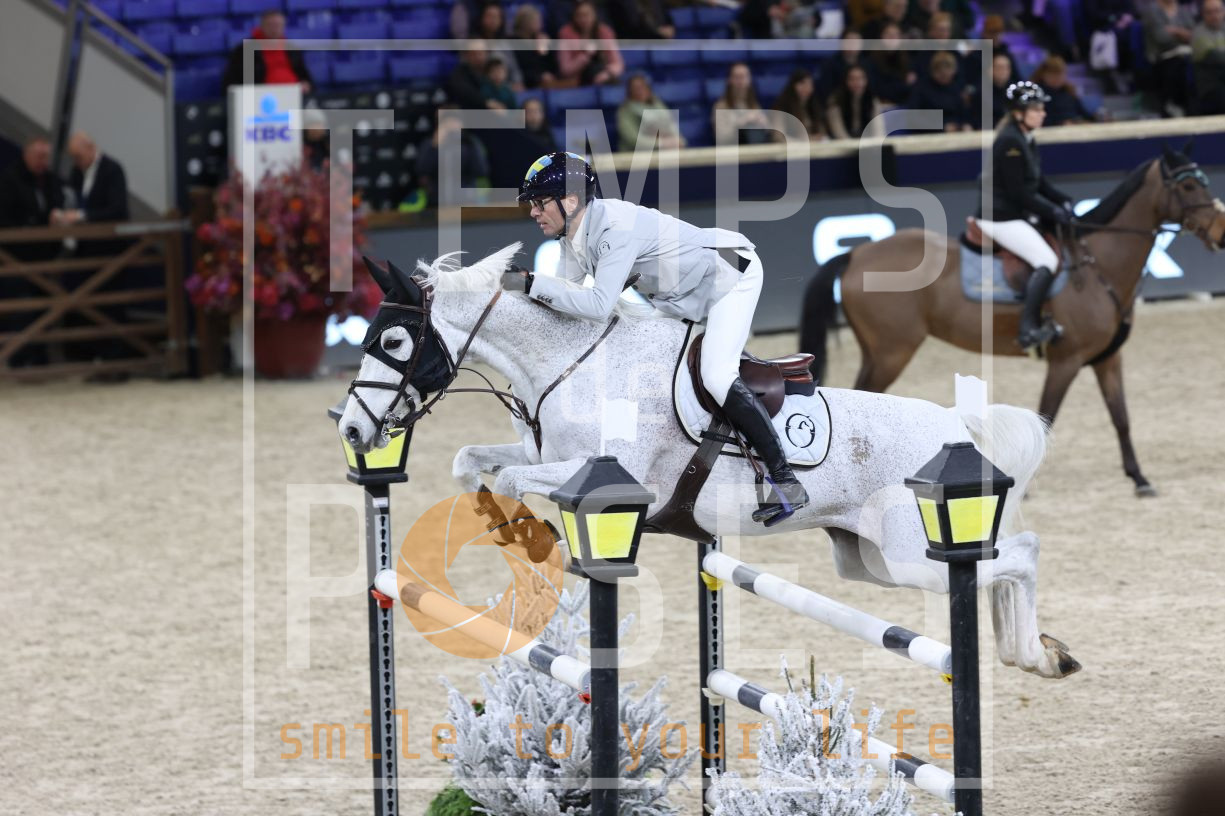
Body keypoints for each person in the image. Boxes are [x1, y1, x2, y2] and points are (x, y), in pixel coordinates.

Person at [502, 151, 809, 524]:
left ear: (569, 201)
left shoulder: (614, 229)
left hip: (729, 276)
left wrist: (531, 284)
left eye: (539, 202)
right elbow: (565, 300)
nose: (533, 212)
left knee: (716, 376)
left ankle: (785, 480)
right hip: (680, 299)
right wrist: (519, 295)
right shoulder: (573, 237)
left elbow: (597, 305)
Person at [974, 82, 1076, 351]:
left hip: (1016, 212)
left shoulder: (1026, 137)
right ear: (1019, 113)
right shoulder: (1010, 141)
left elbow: (1037, 182)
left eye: (1042, 108)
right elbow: (1019, 193)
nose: (1043, 113)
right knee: (1047, 260)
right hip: (1000, 217)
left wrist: (1062, 199)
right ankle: (1027, 328)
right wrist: (1052, 210)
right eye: (1036, 109)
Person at [0, 136, 64, 261]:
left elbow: (57, 203)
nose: (44, 162)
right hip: (14, 252)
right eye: (40, 157)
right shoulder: (9, 180)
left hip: (42, 251)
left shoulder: (50, 180)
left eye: (46, 157)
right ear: (27, 155)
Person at [415, 107, 491, 206]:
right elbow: (421, 170)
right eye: (447, 122)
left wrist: (468, 144)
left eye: (455, 121)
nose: (451, 126)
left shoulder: (470, 143)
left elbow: (481, 170)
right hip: (437, 202)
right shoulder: (431, 143)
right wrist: (434, 146)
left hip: (466, 201)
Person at [221, 10, 312, 92]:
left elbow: (304, 75)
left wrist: (306, 84)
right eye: (271, 25)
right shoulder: (244, 50)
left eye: (278, 25)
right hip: (263, 97)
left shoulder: (292, 48)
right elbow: (233, 80)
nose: (275, 29)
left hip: (294, 94)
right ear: (262, 26)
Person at [1142, 0, 1196, 116]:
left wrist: (1174, 31)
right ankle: (1172, 106)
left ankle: (1189, 109)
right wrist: (1183, 33)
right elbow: (1162, 38)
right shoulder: (1152, 11)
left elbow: (1194, 36)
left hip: (1185, 55)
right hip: (1161, 59)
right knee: (1178, 66)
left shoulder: (1182, 10)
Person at [557, 0, 625, 85]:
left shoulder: (604, 32)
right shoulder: (566, 34)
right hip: (578, 79)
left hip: (603, 73)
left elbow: (617, 64)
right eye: (579, 15)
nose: (583, 19)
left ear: (594, 15)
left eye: (586, 15)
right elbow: (565, 70)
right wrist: (585, 55)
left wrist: (607, 74)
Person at [617, 73, 686, 151]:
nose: (640, 91)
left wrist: (677, 140)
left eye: (643, 86)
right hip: (636, 153)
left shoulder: (657, 104)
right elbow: (632, 139)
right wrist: (661, 143)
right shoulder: (625, 111)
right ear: (629, 91)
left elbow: (670, 124)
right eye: (636, 88)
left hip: (663, 150)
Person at [906, 51, 972, 131]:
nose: (944, 74)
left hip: (956, 132)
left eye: (948, 70)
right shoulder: (921, 89)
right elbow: (914, 119)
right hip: (930, 133)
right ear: (932, 71)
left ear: (954, 70)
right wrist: (943, 127)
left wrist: (965, 124)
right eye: (940, 72)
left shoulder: (957, 88)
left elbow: (964, 114)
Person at [712, 62, 772, 145]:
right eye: (737, 77)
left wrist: (764, 123)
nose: (741, 81)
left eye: (744, 77)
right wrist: (742, 122)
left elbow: (768, 131)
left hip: (754, 146)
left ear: (749, 80)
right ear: (729, 80)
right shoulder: (721, 106)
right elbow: (721, 137)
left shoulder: (753, 104)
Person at [473, 2, 525, 90]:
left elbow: (514, 69)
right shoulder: (474, 43)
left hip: (506, 87)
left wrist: (518, 82)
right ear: (482, 18)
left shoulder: (504, 43)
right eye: (489, 16)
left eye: (496, 17)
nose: (493, 20)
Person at [1031, 55, 1095, 125]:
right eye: (1053, 74)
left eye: (1060, 74)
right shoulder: (1036, 94)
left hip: (1074, 126)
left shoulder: (1069, 91)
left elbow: (1084, 113)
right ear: (1043, 75)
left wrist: (1094, 118)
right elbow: (1036, 119)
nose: (1057, 78)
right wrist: (1061, 123)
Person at [826, 65, 885, 139]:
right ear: (845, 81)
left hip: (867, 142)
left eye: (861, 78)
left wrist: (874, 143)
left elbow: (878, 130)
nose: (857, 82)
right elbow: (839, 134)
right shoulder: (835, 101)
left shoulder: (872, 100)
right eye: (852, 79)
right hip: (841, 143)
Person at [868, 22, 917, 108]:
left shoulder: (907, 60)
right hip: (882, 106)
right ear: (881, 37)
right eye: (888, 34)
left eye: (895, 35)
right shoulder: (872, 61)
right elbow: (878, 89)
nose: (892, 38)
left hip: (904, 106)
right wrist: (904, 85)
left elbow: (914, 88)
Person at [771, 68, 827, 142]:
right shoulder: (781, 109)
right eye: (802, 83)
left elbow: (822, 134)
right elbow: (778, 138)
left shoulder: (814, 107)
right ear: (793, 86)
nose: (806, 88)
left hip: (814, 147)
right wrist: (807, 141)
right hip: (791, 148)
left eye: (810, 84)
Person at [447, 40, 506, 110]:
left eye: (481, 53)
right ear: (466, 56)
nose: (478, 57)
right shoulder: (459, 74)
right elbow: (464, 92)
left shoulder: (493, 69)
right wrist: (486, 102)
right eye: (473, 54)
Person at [512, 6, 559, 89]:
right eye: (536, 21)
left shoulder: (538, 40)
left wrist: (546, 48)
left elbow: (550, 65)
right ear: (525, 22)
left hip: (545, 84)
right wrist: (539, 77)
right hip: (525, 85)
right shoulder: (514, 42)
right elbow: (520, 68)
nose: (540, 24)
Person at [1191, 0, 1225, 114]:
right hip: (1211, 86)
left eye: (1217, 11)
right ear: (1203, 14)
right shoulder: (1198, 33)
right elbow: (1216, 57)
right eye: (1209, 12)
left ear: (1223, 12)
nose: (1214, 15)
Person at [970, 53, 1015, 128]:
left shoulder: (1014, 89)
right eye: (1000, 67)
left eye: (1007, 67)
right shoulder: (981, 91)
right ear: (991, 70)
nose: (1003, 71)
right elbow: (977, 120)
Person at [606, 0, 675, 39]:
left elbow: (667, 18)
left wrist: (670, 28)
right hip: (637, 44)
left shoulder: (657, 2)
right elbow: (630, 27)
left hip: (663, 41)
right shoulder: (619, 3)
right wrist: (657, 32)